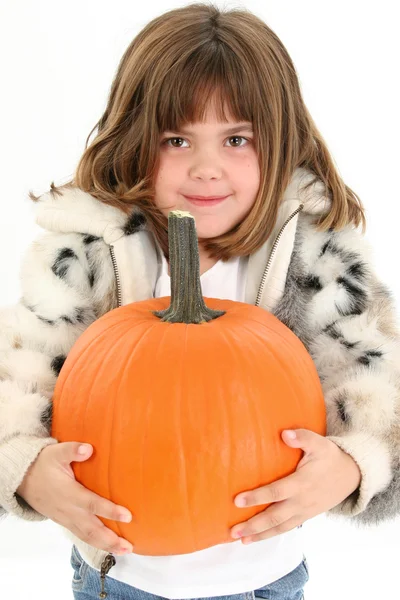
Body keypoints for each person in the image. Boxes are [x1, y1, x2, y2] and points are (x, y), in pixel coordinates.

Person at [1, 2, 399, 599]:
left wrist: (355, 464)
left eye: (236, 139)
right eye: (177, 139)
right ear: (136, 139)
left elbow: (380, 386)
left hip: (269, 577)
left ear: (281, 141)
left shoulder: (317, 257)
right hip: (123, 577)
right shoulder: (84, 253)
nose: (206, 168)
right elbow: (17, 375)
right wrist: (22, 469)